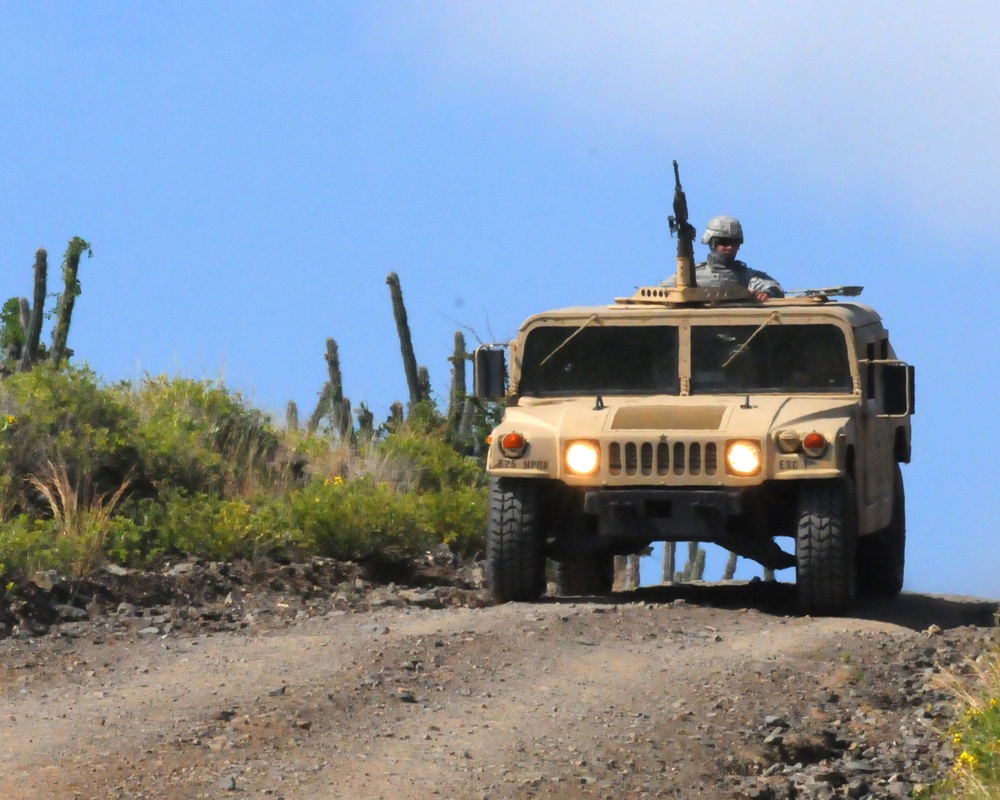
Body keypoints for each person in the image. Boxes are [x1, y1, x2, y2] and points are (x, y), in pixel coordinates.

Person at [662, 216, 784, 300]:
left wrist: (766, 294)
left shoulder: (746, 276)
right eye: (724, 242)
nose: (730, 247)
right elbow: (660, 291)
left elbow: (773, 288)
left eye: (735, 243)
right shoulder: (690, 274)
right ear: (711, 243)